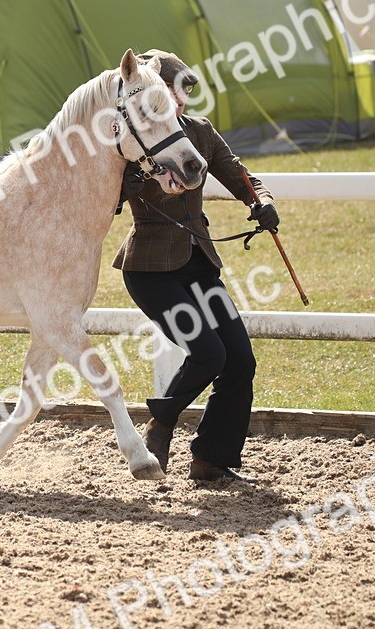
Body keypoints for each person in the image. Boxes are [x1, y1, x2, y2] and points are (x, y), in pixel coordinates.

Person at [113, 49, 279, 484]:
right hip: (151, 271)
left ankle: (211, 458)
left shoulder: (200, 133)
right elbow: (110, 201)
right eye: (169, 89)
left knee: (240, 360)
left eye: (182, 89)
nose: (179, 99)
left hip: (198, 265)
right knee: (209, 354)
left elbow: (241, 175)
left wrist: (262, 202)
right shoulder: (133, 140)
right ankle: (161, 422)